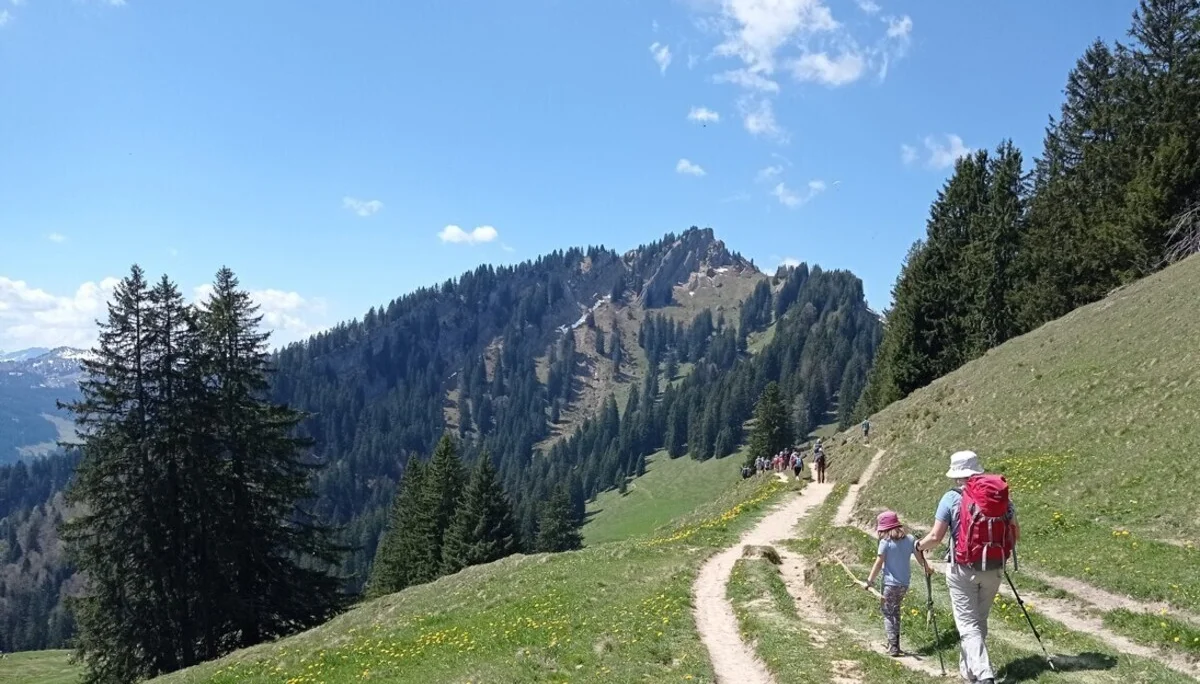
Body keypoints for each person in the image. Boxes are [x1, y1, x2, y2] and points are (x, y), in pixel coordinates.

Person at [916, 450, 1018, 684]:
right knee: (979, 620)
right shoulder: (1001, 497)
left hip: (962, 568)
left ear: (956, 475)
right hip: (994, 567)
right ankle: (968, 673)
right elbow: (1015, 532)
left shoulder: (950, 498)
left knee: (967, 624)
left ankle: (984, 675)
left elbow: (936, 537)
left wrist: (918, 546)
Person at [864, 511, 932, 657]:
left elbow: (878, 563)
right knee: (895, 611)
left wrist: (869, 581)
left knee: (888, 613)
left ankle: (893, 646)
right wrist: (927, 568)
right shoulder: (910, 539)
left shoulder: (885, 543)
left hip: (890, 584)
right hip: (904, 584)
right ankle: (896, 645)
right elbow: (920, 559)